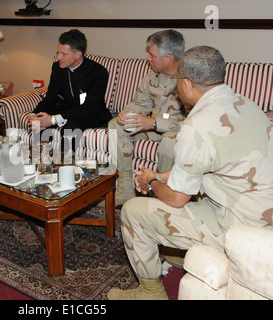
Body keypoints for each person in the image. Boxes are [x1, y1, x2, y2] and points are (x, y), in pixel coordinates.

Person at [108, 46, 273, 300]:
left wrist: (151, 181)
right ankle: (176, 252)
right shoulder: (248, 105)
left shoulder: (196, 126)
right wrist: (161, 176)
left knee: (133, 212)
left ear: (186, 84)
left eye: (177, 84)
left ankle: (149, 294)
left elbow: (176, 198)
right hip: (262, 208)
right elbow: (213, 168)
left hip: (243, 226)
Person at [108, 29, 186, 206]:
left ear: (168, 58)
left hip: (178, 133)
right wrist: (127, 112)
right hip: (154, 129)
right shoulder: (154, 73)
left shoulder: (190, 78)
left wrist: (154, 122)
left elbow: (196, 123)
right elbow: (140, 102)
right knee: (116, 125)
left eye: (152, 55)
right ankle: (125, 188)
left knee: (169, 140)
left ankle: (162, 197)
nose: (148, 59)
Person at [28, 29, 112, 154]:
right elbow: (50, 96)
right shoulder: (58, 67)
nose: (58, 57)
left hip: (92, 114)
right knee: (39, 119)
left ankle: (63, 164)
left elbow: (89, 107)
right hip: (66, 110)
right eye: (58, 52)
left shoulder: (98, 72)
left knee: (71, 128)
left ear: (78, 54)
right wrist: (34, 115)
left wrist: (53, 120)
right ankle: (39, 159)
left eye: (64, 54)